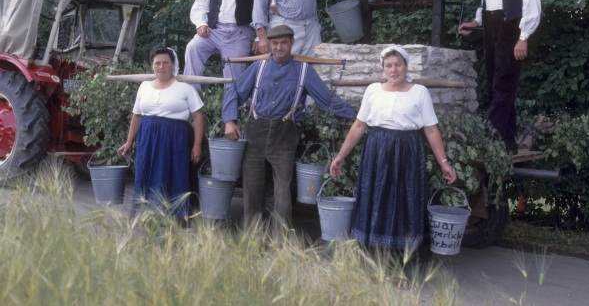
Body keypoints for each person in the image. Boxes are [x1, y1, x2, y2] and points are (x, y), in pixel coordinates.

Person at [222, 24, 356, 225]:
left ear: (292, 43)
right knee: (252, 186)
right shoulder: (259, 67)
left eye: (284, 43)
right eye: (275, 43)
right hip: (255, 133)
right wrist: (229, 121)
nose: (279, 47)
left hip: (285, 135)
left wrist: (358, 117)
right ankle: (251, 236)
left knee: (283, 190)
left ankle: (281, 238)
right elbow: (234, 91)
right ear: (270, 45)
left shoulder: (304, 70)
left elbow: (327, 100)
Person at [329, 46, 457, 250]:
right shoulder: (373, 90)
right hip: (376, 150)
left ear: (406, 66)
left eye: (398, 65)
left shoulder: (419, 92)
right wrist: (340, 156)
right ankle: (373, 250)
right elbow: (359, 126)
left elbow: (431, 130)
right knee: (375, 195)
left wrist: (444, 163)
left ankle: (402, 253)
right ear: (383, 68)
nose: (393, 70)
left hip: (407, 150)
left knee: (405, 198)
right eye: (388, 66)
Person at [458, 0, 541, 154]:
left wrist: (523, 36)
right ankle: (507, 141)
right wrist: (475, 22)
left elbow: (531, 5)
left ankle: (493, 140)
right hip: (491, 27)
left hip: (511, 28)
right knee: (496, 84)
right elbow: (487, 4)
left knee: (503, 83)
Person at [118, 45, 205, 218]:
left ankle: (176, 217)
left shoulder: (185, 88)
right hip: (147, 139)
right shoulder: (144, 87)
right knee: (145, 172)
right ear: (152, 65)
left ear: (173, 64)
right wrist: (129, 142)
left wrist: (197, 145)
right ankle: (145, 214)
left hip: (175, 139)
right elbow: (137, 115)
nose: (161, 67)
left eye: (165, 62)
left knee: (175, 174)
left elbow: (198, 117)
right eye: (157, 63)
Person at [185, 0, 259, 90]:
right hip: (213, 31)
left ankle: (231, 101)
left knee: (233, 77)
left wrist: (259, 37)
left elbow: (262, 10)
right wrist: (201, 24)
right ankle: (191, 93)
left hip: (239, 33)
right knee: (193, 47)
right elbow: (199, 6)